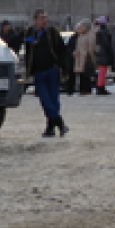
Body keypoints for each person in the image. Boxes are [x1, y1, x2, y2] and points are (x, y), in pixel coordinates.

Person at [24, 9, 70, 137]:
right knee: (45, 100)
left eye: (46, 17)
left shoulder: (52, 32)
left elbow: (62, 51)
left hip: (52, 71)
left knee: (54, 100)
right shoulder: (30, 33)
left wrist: (64, 67)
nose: (45, 20)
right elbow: (20, 42)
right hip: (39, 72)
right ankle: (60, 123)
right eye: (42, 18)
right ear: (35, 19)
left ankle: (50, 128)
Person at [93, 18, 115, 95]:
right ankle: (100, 88)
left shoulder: (99, 32)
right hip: (104, 53)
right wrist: (111, 51)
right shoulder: (104, 32)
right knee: (103, 71)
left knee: (101, 71)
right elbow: (107, 44)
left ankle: (100, 87)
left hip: (100, 53)